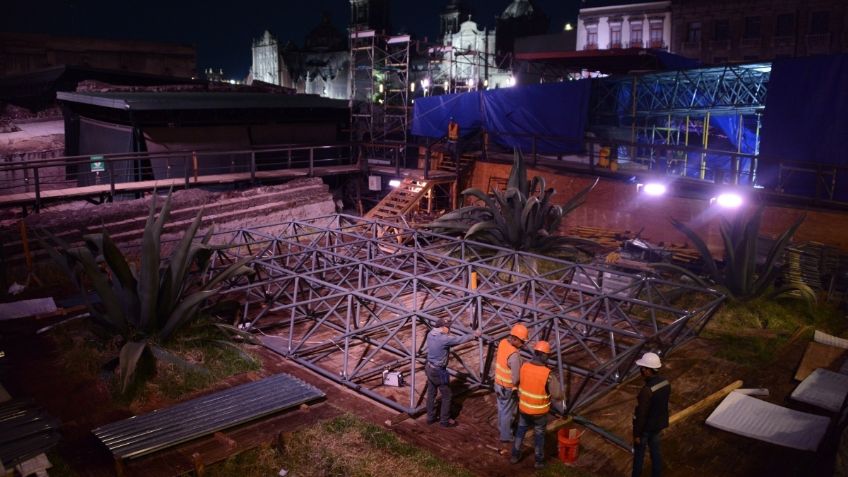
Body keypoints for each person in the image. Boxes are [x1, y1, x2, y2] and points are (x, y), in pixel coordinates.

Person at [511, 340, 563, 469]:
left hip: (523, 408)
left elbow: (517, 381)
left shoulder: (524, 367)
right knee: (539, 436)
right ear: (545, 356)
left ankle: (515, 455)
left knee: (520, 431)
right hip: (539, 412)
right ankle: (539, 461)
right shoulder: (548, 374)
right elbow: (557, 395)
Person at [426, 317, 481, 427]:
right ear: (441, 327)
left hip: (428, 367)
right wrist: (474, 335)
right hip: (438, 371)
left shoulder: (430, 334)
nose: (449, 329)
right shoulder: (444, 339)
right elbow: (458, 340)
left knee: (431, 393)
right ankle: (444, 421)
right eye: (447, 327)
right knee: (447, 395)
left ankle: (430, 418)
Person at [632, 352, 670, 477]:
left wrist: (637, 434)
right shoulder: (665, 382)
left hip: (645, 428)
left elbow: (642, 414)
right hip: (658, 425)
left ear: (648, 370)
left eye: (642, 368)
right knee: (655, 452)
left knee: (639, 457)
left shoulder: (647, 391)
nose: (641, 371)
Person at [494, 323, 529, 452]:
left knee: (502, 408)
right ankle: (506, 436)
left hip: (498, 383)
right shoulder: (514, 355)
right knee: (509, 412)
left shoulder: (503, 342)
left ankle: (501, 428)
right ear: (515, 339)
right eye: (522, 341)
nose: (523, 344)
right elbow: (516, 378)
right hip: (508, 387)